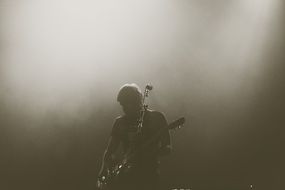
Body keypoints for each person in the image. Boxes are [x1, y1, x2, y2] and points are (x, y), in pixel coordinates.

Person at [98, 83, 172, 190]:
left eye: (127, 104)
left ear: (138, 102)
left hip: (149, 174)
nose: (124, 108)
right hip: (125, 175)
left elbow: (168, 148)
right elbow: (110, 151)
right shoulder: (120, 122)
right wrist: (103, 168)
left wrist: (151, 152)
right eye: (122, 105)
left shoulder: (157, 118)